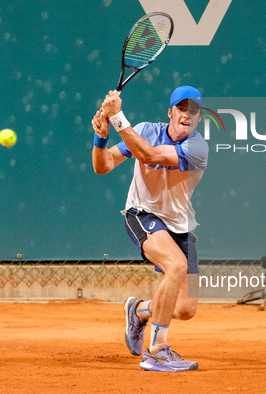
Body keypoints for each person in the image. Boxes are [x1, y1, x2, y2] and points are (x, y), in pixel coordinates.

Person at [91, 86, 208, 372]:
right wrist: (101, 138)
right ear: (170, 112)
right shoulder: (143, 129)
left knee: (185, 309)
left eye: (193, 111)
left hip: (180, 224)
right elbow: (103, 166)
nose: (187, 115)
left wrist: (117, 117)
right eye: (181, 109)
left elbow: (151, 156)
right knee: (176, 266)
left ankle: (139, 310)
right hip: (142, 213)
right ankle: (156, 351)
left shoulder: (198, 148)